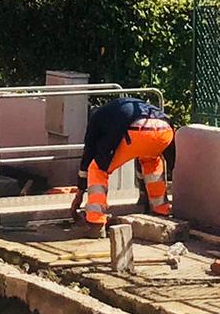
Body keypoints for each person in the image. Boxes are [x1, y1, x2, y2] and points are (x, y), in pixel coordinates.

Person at [71, 93, 175, 229]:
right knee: (151, 161)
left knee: (97, 169)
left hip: (136, 130)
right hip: (165, 130)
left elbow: (89, 153)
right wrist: (172, 164)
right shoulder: (122, 108)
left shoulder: (97, 119)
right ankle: (160, 208)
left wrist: (80, 192)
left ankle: (95, 220)